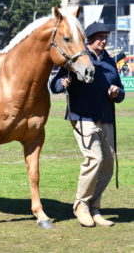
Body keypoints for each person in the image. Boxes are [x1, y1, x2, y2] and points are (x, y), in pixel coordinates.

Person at [50, 21, 125, 227]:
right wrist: (62, 83)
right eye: (100, 37)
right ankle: (80, 205)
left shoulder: (110, 61)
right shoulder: (77, 57)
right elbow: (54, 84)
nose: (104, 40)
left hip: (106, 117)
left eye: (105, 36)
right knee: (95, 158)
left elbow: (120, 90)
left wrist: (117, 93)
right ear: (89, 40)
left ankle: (94, 207)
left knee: (108, 165)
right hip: (82, 116)